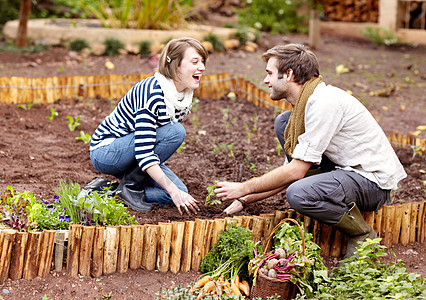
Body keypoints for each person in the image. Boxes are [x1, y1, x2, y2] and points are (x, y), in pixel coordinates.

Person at [214, 43, 406, 260]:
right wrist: (246, 198)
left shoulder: (324, 103)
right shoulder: (305, 105)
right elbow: (293, 171)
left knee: (298, 193)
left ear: (288, 74)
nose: (265, 80)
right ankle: (318, 190)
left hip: (372, 183)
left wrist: (243, 187)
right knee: (283, 123)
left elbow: (295, 173)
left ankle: (361, 234)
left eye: (269, 73)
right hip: (345, 171)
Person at [89, 37, 208, 215]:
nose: (202, 67)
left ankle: (111, 191)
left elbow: (150, 145)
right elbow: (145, 150)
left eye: (203, 61)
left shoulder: (182, 96)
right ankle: (131, 185)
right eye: (195, 61)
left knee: (179, 194)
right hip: (107, 151)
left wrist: (175, 192)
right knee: (176, 132)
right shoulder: (152, 93)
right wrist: (171, 189)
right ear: (176, 65)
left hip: (135, 152)